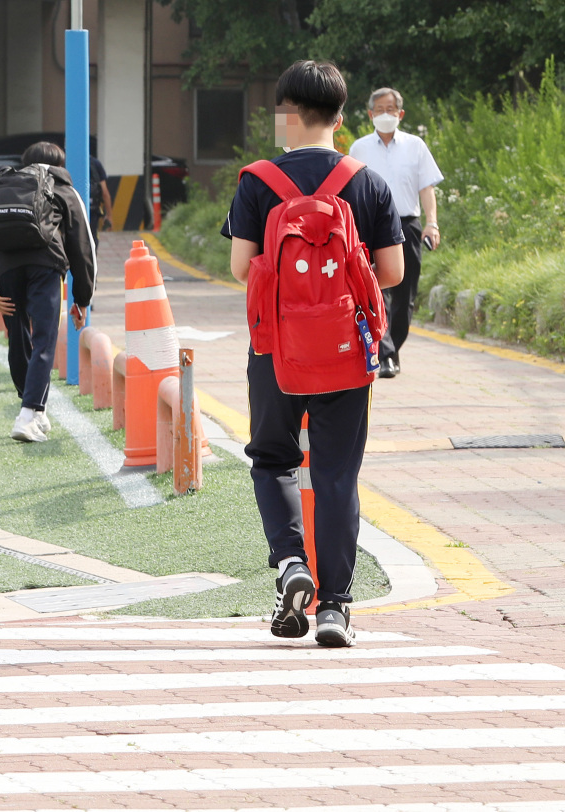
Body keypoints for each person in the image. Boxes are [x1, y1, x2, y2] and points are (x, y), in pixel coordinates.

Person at [221, 60, 403, 647]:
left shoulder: (257, 181)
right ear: (343, 117)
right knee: (335, 474)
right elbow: (393, 272)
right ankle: (335, 609)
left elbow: (240, 266)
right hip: (347, 354)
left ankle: (290, 563)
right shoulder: (367, 180)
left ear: (286, 113)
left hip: (275, 350)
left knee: (273, 458)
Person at [0, 141, 97, 443]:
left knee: (18, 339)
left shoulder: (11, 187)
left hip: (6, 268)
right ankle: (28, 412)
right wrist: (83, 299)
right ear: (59, 163)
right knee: (43, 340)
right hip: (45, 267)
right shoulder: (64, 191)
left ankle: (34, 407)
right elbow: (83, 248)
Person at [349, 87, 443, 379]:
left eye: (391, 109)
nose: (385, 114)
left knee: (405, 294)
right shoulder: (359, 148)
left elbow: (426, 187)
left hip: (407, 224)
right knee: (376, 288)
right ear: (370, 114)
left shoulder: (415, 145)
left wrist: (432, 223)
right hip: (370, 227)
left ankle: (392, 348)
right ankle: (384, 352)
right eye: (379, 109)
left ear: (400, 114)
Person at [90, 154, 115, 236]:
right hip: (92, 209)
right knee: (92, 239)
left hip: (73, 209)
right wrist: (109, 216)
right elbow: (105, 192)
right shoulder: (95, 163)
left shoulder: (68, 162)